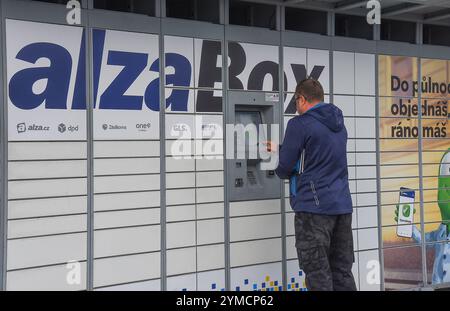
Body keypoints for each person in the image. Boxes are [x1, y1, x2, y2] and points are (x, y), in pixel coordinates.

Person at [266, 78, 357, 291]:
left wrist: (280, 162)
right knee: (341, 271)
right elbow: (317, 154)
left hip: (313, 210)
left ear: (301, 99)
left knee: (317, 273)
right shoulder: (338, 124)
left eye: (296, 101)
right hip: (342, 207)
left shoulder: (299, 124)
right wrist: (281, 148)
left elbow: (285, 168)